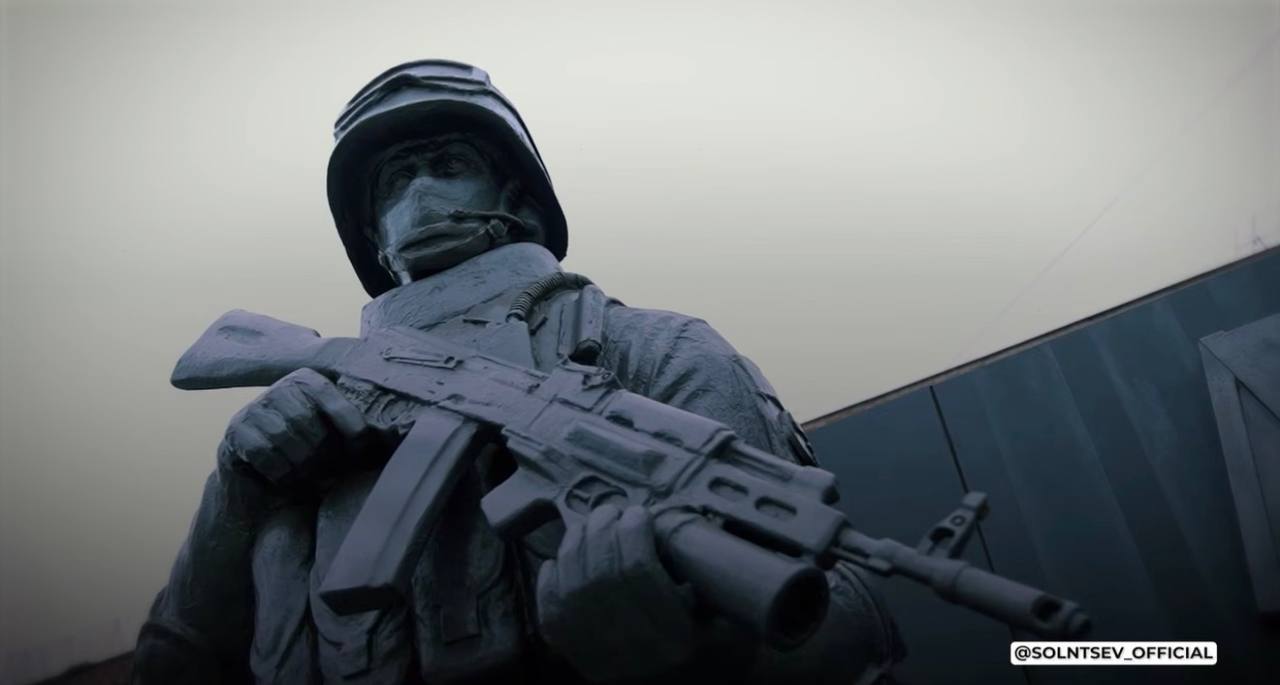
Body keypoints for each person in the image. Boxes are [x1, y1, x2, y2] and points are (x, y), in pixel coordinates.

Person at [134, 60, 903, 684]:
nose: (419, 192)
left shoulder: (654, 348)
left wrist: (692, 653)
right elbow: (174, 663)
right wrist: (239, 494)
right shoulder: (307, 416)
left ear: (516, 199)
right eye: (394, 179)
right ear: (371, 235)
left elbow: (848, 627)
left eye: (448, 165)